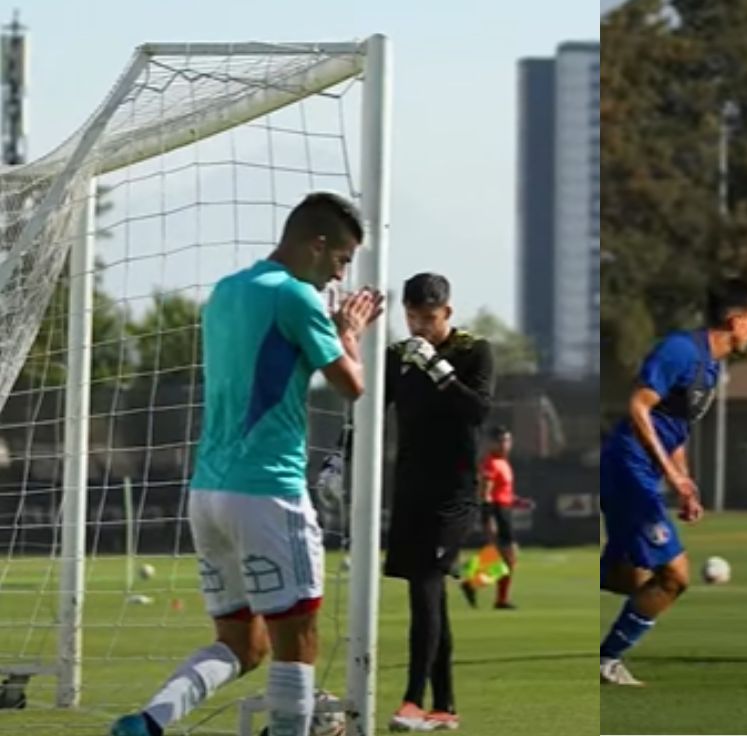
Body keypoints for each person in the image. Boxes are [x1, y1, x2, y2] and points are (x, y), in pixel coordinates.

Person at [111, 192, 383, 736]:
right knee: (297, 641)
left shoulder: (228, 290)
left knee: (243, 644)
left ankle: (145, 724)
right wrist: (349, 333)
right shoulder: (297, 298)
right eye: (343, 258)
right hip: (267, 493)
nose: (341, 273)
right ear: (318, 243)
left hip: (208, 493)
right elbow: (352, 385)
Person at [598, 276, 747, 687]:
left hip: (642, 473)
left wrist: (683, 482)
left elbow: (674, 427)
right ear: (734, 320)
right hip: (628, 466)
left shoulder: (711, 365)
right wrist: (669, 474)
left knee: (632, 578)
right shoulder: (680, 351)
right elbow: (638, 406)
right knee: (675, 576)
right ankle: (607, 660)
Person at [384, 272, 493, 732]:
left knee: (426, 586)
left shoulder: (474, 351)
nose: (419, 327)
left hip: (454, 493)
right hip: (409, 489)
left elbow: (478, 411)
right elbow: (371, 408)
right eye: (411, 317)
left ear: (447, 313)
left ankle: (412, 700)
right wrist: (339, 455)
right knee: (427, 595)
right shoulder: (397, 355)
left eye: (428, 318)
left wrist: (439, 370)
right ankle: (444, 706)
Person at [460, 425, 532, 610]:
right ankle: (476, 582)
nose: (504, 445)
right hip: (496, 512)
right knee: (507, 555)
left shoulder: (503, 463)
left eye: (507, 441)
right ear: (492, 443)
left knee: (506, 556)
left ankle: (475, 582)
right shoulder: (491, 463)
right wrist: (488, 517)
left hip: (503, 510)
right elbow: (486, 492)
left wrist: (517, 501)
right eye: (500, 441)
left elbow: (503, 492)